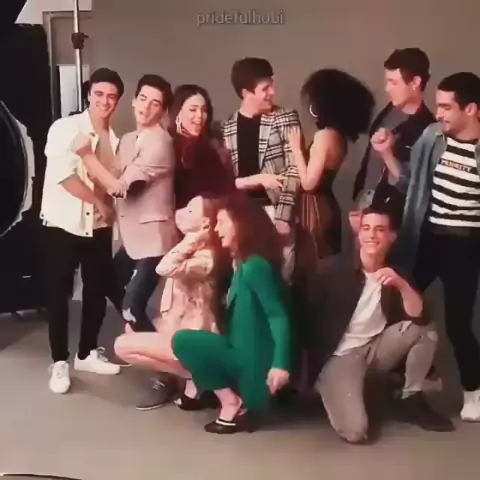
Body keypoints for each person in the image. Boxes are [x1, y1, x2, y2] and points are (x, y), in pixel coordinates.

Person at [312, 206, 454, 444]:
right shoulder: (331, 270)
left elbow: (419, 318)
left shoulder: (396, 273)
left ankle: (410, 397)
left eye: (379, 229)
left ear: (392, 237)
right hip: (340, 358)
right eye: (366, 228)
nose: (371, 235)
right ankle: (332, 386)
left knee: (425, 330)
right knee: (356, 432)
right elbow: (307, 319)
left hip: (376, 350)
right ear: (358, 233)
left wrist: (401, 284)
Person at [392, 72, 480, 422]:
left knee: (458, 324)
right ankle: (408, 381)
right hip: (425, 237)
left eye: (446, 107)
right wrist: (386, 156)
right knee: (398, 304)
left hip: (465, 245)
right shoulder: (433, 137)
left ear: (471, 109)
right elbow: (410, 182)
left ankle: (473, 392)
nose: (438, 113)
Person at [172, 193, 292, 434]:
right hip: (239, 354)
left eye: (221, 222)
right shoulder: (241, 265)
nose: (216, 229)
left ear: (240, 224)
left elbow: (277, 315)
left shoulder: (254, 266)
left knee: (183, 341)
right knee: (185, 342)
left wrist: (280, 364)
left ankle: (231, 403)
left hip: (252, 364)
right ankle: (230, 400)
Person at [40, 68, 125, 394]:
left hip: (98, 226)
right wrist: (100, 202)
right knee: (59, 295)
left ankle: (87, 352)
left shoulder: (115, 139)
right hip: (63, 223)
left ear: (118, 101)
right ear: (89, 94)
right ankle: (59, 361)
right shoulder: (65, 128)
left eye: (112, 96)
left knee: (96, 290)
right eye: (99, 94)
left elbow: (112, 182)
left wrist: (108, 209)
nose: (105, 101)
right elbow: (64, 177)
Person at [72, 74, 177, 335]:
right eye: (142, 98)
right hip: (132, 238)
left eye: (155, 103)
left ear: (163, 110)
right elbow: (111, 174)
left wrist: (86, 155)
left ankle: (164, 356)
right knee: (110, 284)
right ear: (133, 100)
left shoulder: (160, 142)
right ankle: (141, 337)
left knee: (132, 307)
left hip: (154, 239)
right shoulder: (129, 139)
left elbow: (121, 188)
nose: (146, 107)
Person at [114, 196, 224, 410]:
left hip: (194, 335)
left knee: (126, 343)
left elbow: (164, 268)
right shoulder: (191, 250)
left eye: (190, 211)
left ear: (205, 224)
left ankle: (202, 378)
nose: (180, 212)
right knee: (129, 332)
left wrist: (194, 238)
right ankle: (194, 378)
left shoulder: (207, 258)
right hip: (178, 328)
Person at [221, 57, 301, 282]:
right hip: (241, 214)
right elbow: (226, 179)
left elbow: (294, 169)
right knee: (243, 280)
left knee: (281, 279)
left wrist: (283, 215)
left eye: (271, 85)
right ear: (246, 93)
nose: (272, 92)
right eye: (265, 88)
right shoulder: (227, 126)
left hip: (274, 210)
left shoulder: (285, 117)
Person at [352, 48, 435, 225]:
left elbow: (412, 185)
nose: (387, 88)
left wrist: (388, 152)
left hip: (392, 219)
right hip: (364, 206)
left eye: (393, 82)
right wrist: (358, 200)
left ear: (415, 82)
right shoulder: (387, 112)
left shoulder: (427, 129)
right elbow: (368, 162)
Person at [169, 84, 236, 209]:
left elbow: (225, 194)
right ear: (178, 112)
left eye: (204, 110)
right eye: (193, 110)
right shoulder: (166, 144)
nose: (200, 115)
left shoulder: (208, 151)